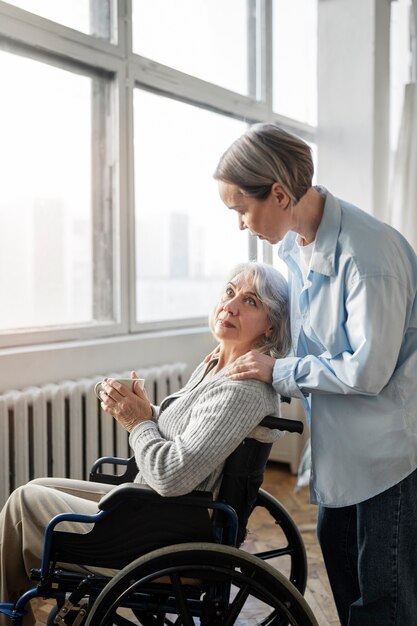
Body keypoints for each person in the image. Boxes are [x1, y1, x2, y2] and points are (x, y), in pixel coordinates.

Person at [0, 261, 290, 626]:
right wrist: (139, 408)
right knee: (36, 488)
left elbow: (171, 476)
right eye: (229, 292)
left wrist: (136, 421)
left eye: (250, 301)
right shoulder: (218, 365)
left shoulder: (242, 388)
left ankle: (10, 613)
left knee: (24, 503)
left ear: (271, 326)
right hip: (155, 508)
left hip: (168, 524)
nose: (230, 305)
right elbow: (188, 432)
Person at [213, 122, 417, 626]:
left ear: (279, 193)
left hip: (389, 451)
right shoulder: (292, 248)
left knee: (384, 596)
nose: (241, 224)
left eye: (242, 209)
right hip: (342, 445)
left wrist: (278, 370)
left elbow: (367, 370)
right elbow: (308, 339)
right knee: (341, 563)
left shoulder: (369, 256)